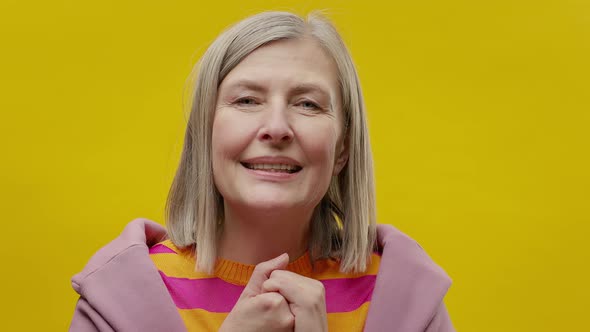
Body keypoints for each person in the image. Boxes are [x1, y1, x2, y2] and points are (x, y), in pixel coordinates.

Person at [69, 11, 454, 332]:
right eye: (247, 99)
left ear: (342, 149)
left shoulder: (402, 300)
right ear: (205, 136)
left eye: (307, 104)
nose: (277, 127)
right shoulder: (118, 301)